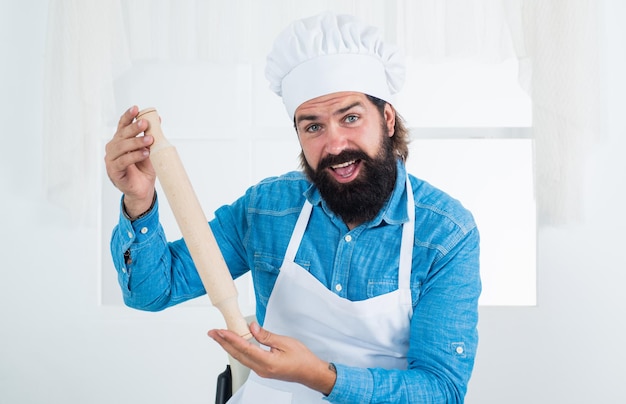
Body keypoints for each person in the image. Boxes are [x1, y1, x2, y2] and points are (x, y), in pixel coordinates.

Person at [104, 11, 481, 404]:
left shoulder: (446, 235)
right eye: (313, 126)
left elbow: (441, 391)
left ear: (387, 119)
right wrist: (139, 198)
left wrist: (320, 377)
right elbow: (151, 292)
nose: (335, 145)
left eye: (350, 117)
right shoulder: (268, 209)